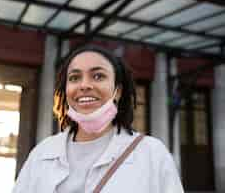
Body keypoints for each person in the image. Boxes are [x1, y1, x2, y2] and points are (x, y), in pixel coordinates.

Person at [12, 45, 184, 193]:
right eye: (74, 78)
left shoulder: (152, 154)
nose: (84, 85)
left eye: (98, 76)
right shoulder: (42, 152)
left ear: (118, 91)